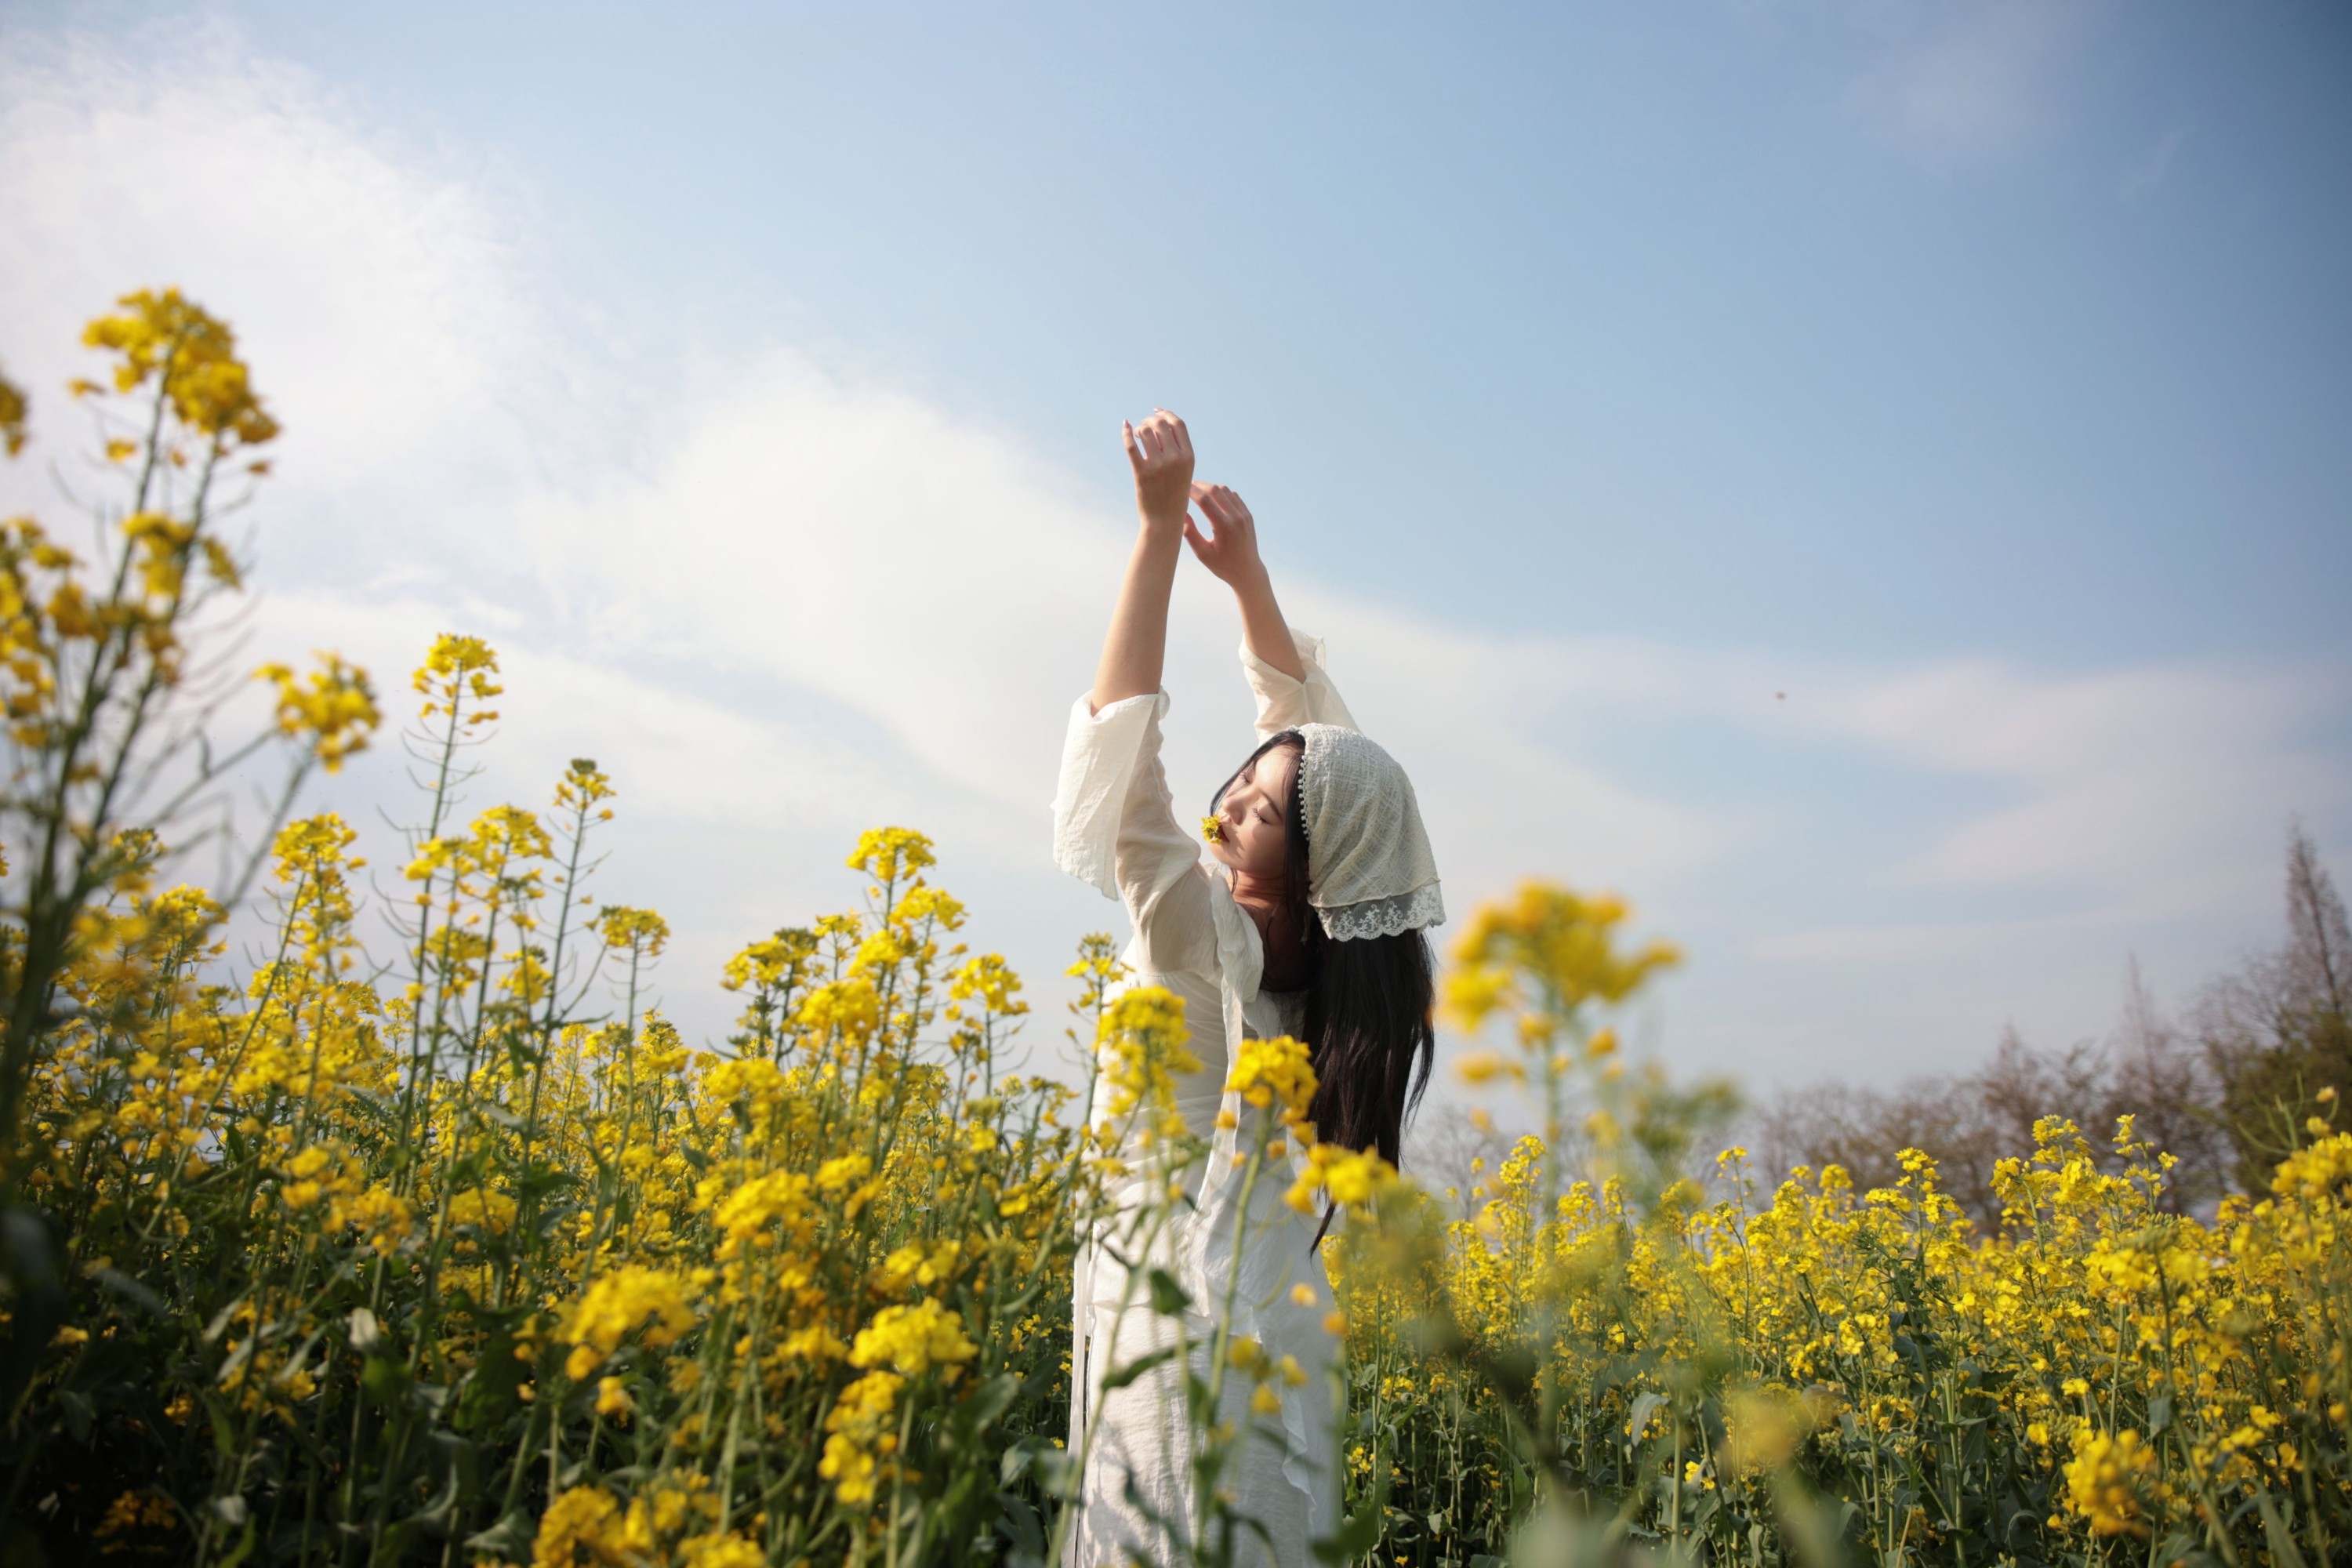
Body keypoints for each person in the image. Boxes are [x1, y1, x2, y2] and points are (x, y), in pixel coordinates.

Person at [1051, 408, 1445, 1566]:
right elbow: (1329, 761)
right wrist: (1252, 587)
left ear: (1308, 865)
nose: (1224, 809)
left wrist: (1157, 536)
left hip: (1165, 1321)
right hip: (1280, 1323)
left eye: (1254, 812)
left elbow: (1123, 762)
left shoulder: (1197, 929)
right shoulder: (1342, 983)